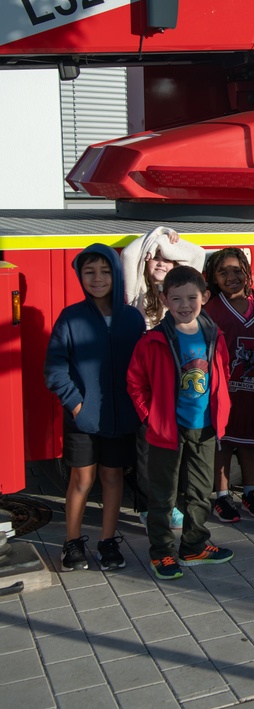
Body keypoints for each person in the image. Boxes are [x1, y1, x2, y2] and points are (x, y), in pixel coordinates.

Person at [126, 266, 234, 581]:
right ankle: (161, 552)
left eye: (191, 298)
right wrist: (149, 416)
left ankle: (193, 546)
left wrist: (221, 409)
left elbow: (223, 370)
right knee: (163, 495)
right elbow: (135, 382)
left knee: (201, 491)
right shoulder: (153, 340)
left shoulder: (214, 333)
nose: (184, 305)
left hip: (205, 426)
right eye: (176, 299)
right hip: (166, 430)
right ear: (163, 299)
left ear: (205, 297)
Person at [45, 244, 146, 571]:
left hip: (120, 418)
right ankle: (71, 543)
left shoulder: (132, 319)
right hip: (84, 419)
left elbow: (142, 366)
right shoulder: (71, 318)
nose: (97, 278)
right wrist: (76, 406)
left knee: (113, 477)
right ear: (80, 276)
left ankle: (107, 541)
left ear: (116, 275)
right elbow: (55, 369)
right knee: (81, 480)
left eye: (105, 271)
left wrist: (139, 406)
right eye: (89, 272)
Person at [121, 227, 205, 531]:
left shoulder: (180, 295)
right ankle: (146, 506)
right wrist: (155, 235)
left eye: (166, 260)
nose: (160, 262)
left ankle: (170, 503)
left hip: (180, 389)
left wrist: (171, 244)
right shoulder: (136, 293)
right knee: (147, 452)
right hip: (150, 388)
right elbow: (130, 254)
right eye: (154, 258)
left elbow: (197, 255)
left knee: (175, 453)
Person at [202, 248, 254, 522]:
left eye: (236, 270)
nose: (231, 277)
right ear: (213, 278)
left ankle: (251, 491)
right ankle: (222, 495)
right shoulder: (211, 310)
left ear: (247, 272)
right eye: (223, 272)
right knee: (224, 445)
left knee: (251, 443)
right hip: (224, 393)